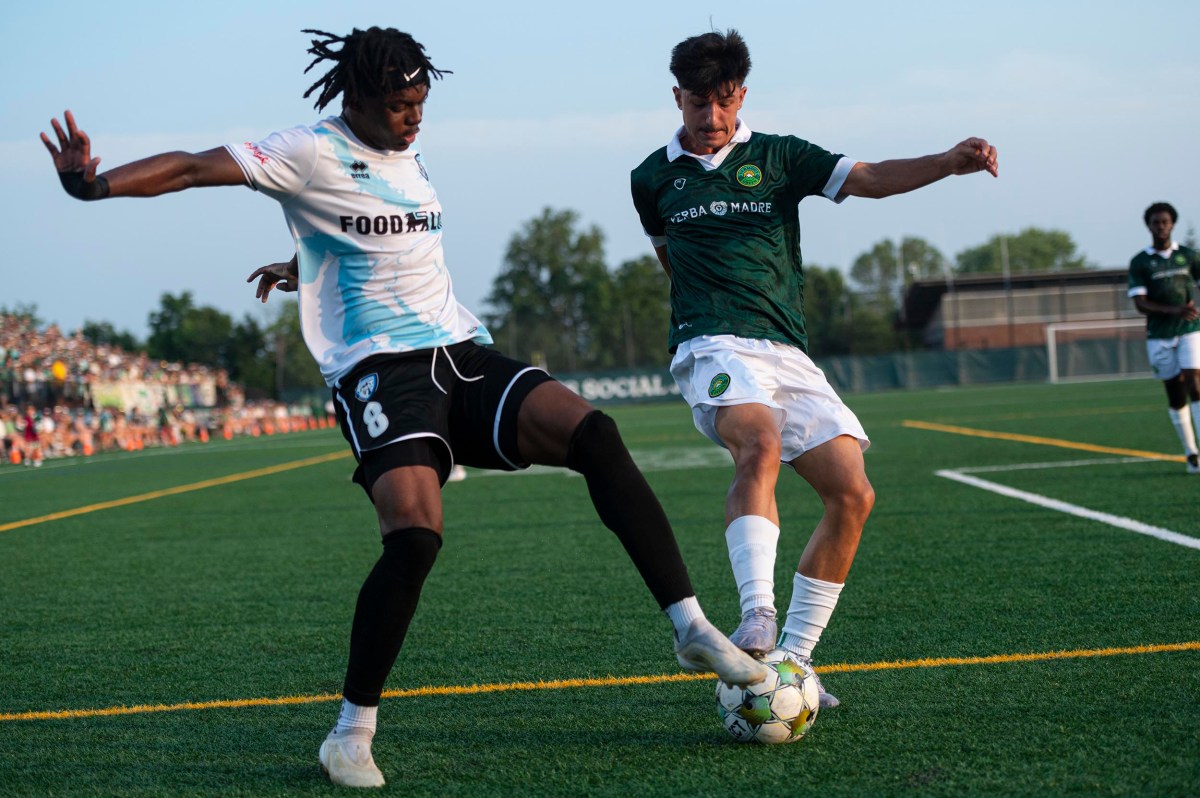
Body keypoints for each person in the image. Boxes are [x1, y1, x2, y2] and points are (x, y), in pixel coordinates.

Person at [43, 26, 766, 789]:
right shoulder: (307, 149)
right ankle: (350, 731)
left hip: (461, 351)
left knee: (595, 433)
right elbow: (192, 167)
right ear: (356, 100)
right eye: (397, 105)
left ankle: (690, 628)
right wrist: (95, 185)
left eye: (420, 102)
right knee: (416, 537)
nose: (413, 117)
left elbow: (380, 237)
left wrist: (308, 262)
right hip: (382, 373)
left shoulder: (409, 157)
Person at [630, 30, 999, 709]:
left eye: (723, 102)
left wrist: (948, 161)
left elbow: (872, 179)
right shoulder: (650, 178)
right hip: (711, 343)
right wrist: (706, 317)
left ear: (741, 95)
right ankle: (757, 616)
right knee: (760, 441)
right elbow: (670, 261)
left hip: (786, 351)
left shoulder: (781, 157)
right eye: (696, 104)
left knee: (853, 494)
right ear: (675, 97)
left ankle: (793, 665)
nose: (710, 118)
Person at [1127, 202, 1200, 473]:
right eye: (1156, 222)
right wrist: (1173, 309)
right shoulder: (1141, 262)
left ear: (1172, 224)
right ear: (1149, 226)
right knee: (1175, 392)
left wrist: (1189, 311)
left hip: (1190, 330)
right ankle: (1191, 452)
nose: (1161, 227)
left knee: (1195, 382)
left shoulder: (1189, 256)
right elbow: (1140, 303)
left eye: (1165, 222)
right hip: (1158, 335)